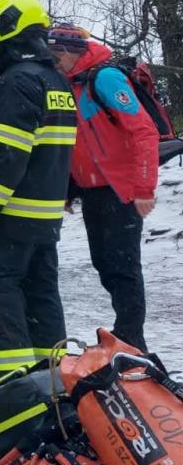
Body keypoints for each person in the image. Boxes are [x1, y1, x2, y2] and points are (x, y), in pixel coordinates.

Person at [0, 0, 77, 377]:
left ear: (8, 32)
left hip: (8, 223)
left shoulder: (17, 84)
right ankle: (54, 387)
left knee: (3, 307)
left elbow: (8, 159)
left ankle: (17, 396)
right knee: (44, 303)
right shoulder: (56, 82)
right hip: (43, 223)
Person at [48, 23, 158, 351]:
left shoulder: (105, 79)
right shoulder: (69, 85)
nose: (51, 63)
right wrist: (68, 189)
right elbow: (76, 143)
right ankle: (125, 333)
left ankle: (131, 339)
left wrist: (143, 188)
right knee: (104, 264)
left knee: (123, 267)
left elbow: (144, 132)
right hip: (92, 191)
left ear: (70, 52)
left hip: (120, 189)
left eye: (54, 56)